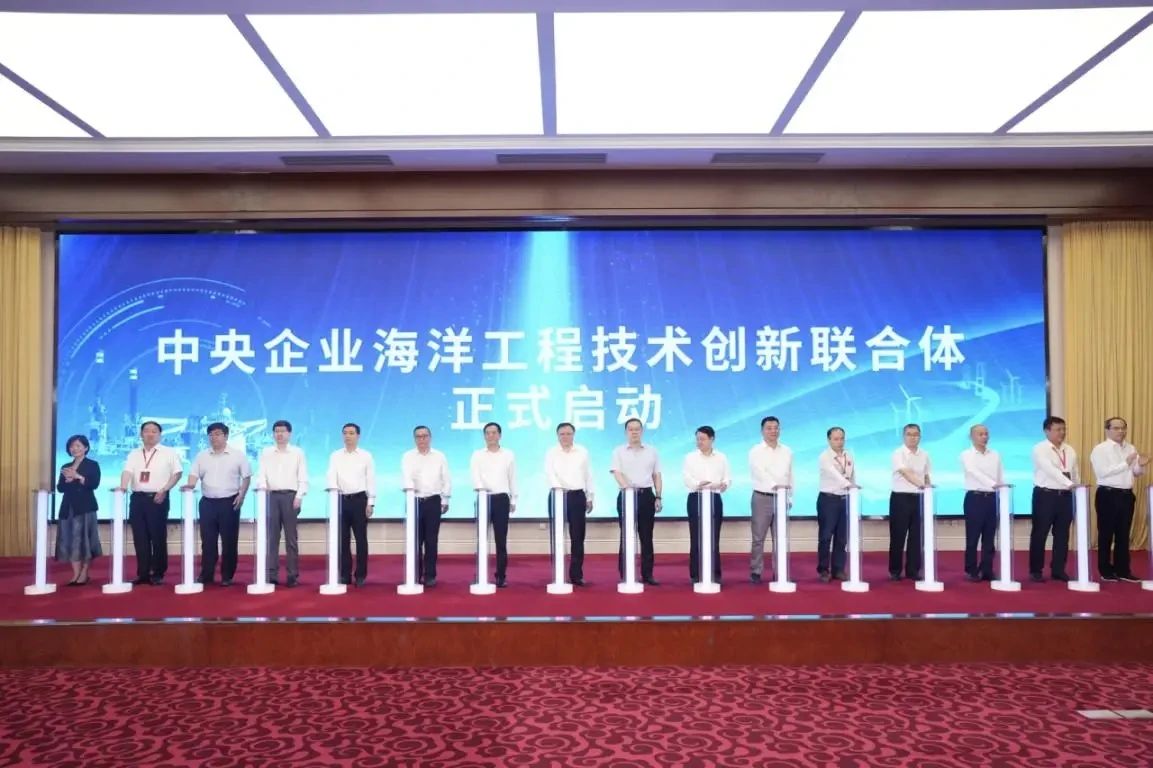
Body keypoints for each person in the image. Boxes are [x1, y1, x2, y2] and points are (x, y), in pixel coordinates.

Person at [183, 422, 252, 587]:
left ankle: (227, 575)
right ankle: (207, 574)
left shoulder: (238, 455)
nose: (214, 437)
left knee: (229, 541)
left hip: (229, 502)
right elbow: (193, 474)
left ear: (226, 436)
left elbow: (246, 477)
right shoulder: (202, 456)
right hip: (207, 503)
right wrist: (190, 486)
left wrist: (242, 495)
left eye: (217, 434)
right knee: (207, 541)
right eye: (211, 434)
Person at [118, 421, 183, 586]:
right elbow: (127, 471)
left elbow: (177, 473)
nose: (150, 434)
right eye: (146, 431)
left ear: (160, 435)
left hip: (158, 498)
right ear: (141, 434)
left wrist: (165, 490)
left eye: (154, 431)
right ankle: (143, 573)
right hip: (137, 498)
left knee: (157, 536)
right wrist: (123, 487)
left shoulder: (169, 452)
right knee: (140, 537)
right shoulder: (134, 453)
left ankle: (158, 572)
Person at [1090, 417, 1150, 582]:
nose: (1121, 431)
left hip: (1126, 495)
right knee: (1106, 534)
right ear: (1107, 430)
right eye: (1116, 428)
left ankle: (1123, 570)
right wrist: (1125, 463)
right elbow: (1102, 472)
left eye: (1123, 428)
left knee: (1123, 534)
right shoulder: (1100, 449)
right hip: (1108, 494)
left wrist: (1141, 465)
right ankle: (1105, 570)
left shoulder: (1130, 447)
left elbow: (1135, 473)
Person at [611, 418, 663, 586]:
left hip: (646, 495)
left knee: (647, 536)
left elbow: (657, 475)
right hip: (626, 495)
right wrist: (627, 489)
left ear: (642, 431)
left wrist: (658, 496)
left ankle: (648, 574)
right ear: (626, 432)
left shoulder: (652, 451)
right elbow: (617, 473)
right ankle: (625, 573)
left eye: (637, 429)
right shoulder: (618, 451)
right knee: (626, 535)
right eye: (631, 429)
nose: (634, 432)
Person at [257, 419, 308, 587]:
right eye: (276, 431)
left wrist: (299, 496)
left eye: (282, 431)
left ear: (289, 434)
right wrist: (262, 489)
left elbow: (303, 476)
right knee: (272, 538)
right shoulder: (266, 452)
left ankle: (292, 575)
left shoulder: (297, 452)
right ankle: (271, 574)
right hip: (271, 497)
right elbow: (261, 474)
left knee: (291, 538)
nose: (279, 434)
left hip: (290, 497)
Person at [1029, 416, 1080, 583]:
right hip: (1046, 495)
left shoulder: (1069, 450)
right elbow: (1050, 470)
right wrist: (1070, 483)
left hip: (1066, 496)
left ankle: (1058, 569)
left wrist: (1077, 488)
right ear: (1047, 431)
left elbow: (1074, 472)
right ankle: (1036, 570)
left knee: (1063, 534)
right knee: (1040, 533)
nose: (1062, 432)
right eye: (1058, 429)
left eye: (1063, 429)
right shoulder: (1040, 449)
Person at [326, 423, 376, 587]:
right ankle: (344, 574)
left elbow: (370, 480)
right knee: (342, 540)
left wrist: (371, 502)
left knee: (361, 539)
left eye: (351, 433)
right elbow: (331, 476)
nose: (348, 436)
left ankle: (360, 575)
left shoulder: (366, 456)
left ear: (358, 436)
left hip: (359, 500)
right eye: (345, 433)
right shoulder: (335, 456)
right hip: (340, 500)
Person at [544, 422, 593, 586]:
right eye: (562, 434)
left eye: (568, 433)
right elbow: (550, 474)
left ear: (573, 435)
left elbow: (588, 475)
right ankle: (558, 574)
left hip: (577, 496)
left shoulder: (582, 452)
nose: (565, 437)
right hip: (557, 495)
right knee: (557, 536)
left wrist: (590, 497)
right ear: (557, 436)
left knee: (578, 537)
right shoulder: (551, 453)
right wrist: (559, 489)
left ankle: (576, 574)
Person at [402, 425, 451, 588]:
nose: (422, 439)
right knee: (415, 540)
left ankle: (430, 575)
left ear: (430, 437)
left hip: (433, 501)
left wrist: (445, 500)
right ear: (414, 439)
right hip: (414, 501)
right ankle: (415, 574)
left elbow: (446, 479)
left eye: (424, 436)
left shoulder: (439, 456)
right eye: (418, 436)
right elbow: (406, 478)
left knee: (431, 540)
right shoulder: (408, 456)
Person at [470, 422, 517, 588]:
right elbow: (475, 476)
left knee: (501, 540)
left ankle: (501, 576)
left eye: (494, 433)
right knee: (481, 539)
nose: (490, 436)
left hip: (502, 499)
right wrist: (482, 490)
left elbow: (512, 478)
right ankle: (480, 575)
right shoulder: (477, 455)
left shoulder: (508, 455)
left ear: (500, 435)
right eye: (487, 433)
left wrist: (513, 499)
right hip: (483, 498)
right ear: (484, 436)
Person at [748, 416, 793, 584]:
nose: (773, 431)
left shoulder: (787, 451)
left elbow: (790, 475)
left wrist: (789, 495)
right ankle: (756, 571)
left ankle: (780, 572)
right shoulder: (755, 451)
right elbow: (759, 472)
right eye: (769, 428)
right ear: (762, 431)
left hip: (782, 498)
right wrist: (776, 486)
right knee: (758, 538)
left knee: (780, 538)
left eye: (776, 428)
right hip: (762, 497)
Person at [683, 425, 730, 584]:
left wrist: (724, 484)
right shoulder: (690, 457)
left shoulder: (721, 457)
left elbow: (727, 477)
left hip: (714, 497)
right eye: (697, 439)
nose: (699, 442)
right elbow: (687, 478)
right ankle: (695, 574)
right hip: (696, 497)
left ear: (712, 439)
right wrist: (698, 484)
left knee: (713, 537)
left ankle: (715, 574)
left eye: (702, 439)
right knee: (696, 536)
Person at [55, 434, 102, 585]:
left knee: (85, 541)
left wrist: (79, 477)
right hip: (68, 507)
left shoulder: (92, 465)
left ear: (86, 448)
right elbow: (60, 488)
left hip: (85, 507)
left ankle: (84, 573)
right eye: (72, 446)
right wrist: (68, 480)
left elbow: (94, 484)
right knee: (70, 540)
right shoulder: (65, 466)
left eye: (78, 446)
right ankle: (75, 574)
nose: (74, 449)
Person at [960, 424, 1004, 582]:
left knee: (989, 537)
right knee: (973, 537)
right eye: (980, 434)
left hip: (992, 498)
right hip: (975, 498)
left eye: (986, 434)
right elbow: (973, 472)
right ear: (971, 437)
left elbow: (1000, 476)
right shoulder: (966, 455)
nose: (984, 437)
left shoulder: (995, 454)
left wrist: (1001, 489)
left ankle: (987, 569)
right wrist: (993, 484)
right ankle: (971, 570)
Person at [890, 423, 931, 581]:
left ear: (920, 436)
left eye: (916, 435)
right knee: (898, 535)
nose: (913, 437)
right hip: (901, 498)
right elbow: (905, 473)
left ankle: (913, 570)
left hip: (919, 498)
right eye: (909, 434)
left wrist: (927, 489)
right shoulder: (898, 453)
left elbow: (926, 475)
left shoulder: (924, 454)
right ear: (904, 436)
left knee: (917, 536)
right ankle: (895, 570)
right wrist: (922, 485)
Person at [816, 426, 855, 583]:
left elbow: (852, 476)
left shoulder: (848, 455)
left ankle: (838, 569)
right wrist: (848, 484)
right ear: (829, 440)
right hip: (828, 500)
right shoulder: (824, 457)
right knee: (825, 537)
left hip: (844, 499)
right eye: (836, 439)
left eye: (842, 438)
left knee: (842, 537)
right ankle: (823, 569)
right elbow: (835, 475)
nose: (840, 442)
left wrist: (853, 490)